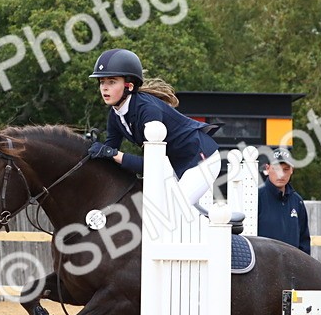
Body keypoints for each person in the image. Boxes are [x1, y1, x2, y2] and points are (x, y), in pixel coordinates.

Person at [87, 48, 221, 206]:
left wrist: (111, 154)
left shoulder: (148, 110)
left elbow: (151, 166)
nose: (104, 88)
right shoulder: (115, 115)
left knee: (176, 210)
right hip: (176, 166)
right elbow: (109, 152)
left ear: (129, 86)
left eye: (112, 82)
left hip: (201, 159)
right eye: (102, 82)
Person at [256, 147, 310, 254]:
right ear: (267, 168)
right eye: (276, 169)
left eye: (285, 169)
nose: (281, 174)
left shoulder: (297, 201)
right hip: (263, 265)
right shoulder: (256, 198)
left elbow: (304, 242)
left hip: (292, 267)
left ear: (292, 170)